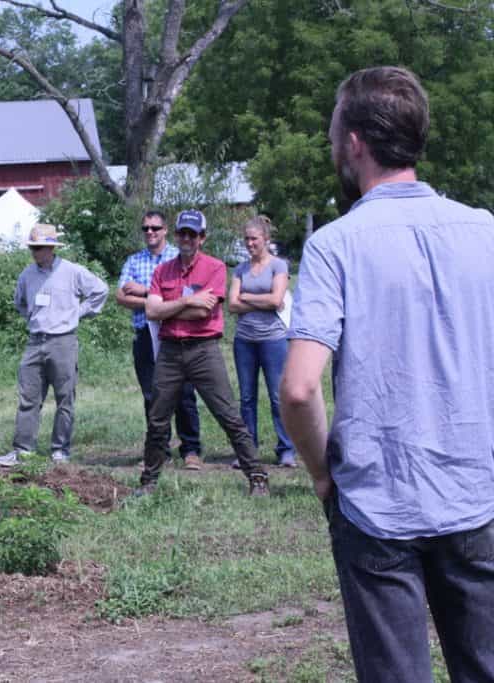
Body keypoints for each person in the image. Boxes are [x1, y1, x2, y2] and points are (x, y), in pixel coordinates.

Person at [280, 66, 494, 682]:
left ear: (354, 142)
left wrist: (322, 475)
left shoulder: (337, 244)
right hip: (475, 492)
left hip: (377, 503)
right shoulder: (483, 230)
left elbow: (298, 388)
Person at [138, 210, 269, 496]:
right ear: (176, 236)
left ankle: (257, 476)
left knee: (229, 415)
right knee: (158, 418)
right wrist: (187, 299)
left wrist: (173, 307)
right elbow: (151, 310)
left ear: (202, 238)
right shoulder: (163, 270)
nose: (187, 238)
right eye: (182, 233)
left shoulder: (215, 267)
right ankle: (148, 482)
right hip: (170, 350)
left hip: (203, 349)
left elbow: (202, 311)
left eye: (193, 234)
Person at [0, 223, 108, 466]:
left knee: (64, 397)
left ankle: (60, 450)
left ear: (51, 248)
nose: (35, 252)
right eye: (33, 247)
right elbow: (20, 303)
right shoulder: (27, 274)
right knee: (29, 397)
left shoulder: (72, 271)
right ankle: (23, 450)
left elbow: (100, 290)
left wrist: (78, 313)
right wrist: (32, 319)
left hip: (63, 341)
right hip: (35, 341)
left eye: (39, 248)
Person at [116, 210, 203, 469]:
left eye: (155, 227)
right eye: (146, 228)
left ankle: (191, 449)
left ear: (165, 230)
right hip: (145, 333)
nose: (150, 232)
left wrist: (145, 293)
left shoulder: (178, 258)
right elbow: (121, 297)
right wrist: (156, 302)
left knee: (184, 392)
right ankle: (159, 450)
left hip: (176, 331)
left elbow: (186, 293)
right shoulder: (134, 261)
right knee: (152, 393)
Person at [227, 216, 296, 468]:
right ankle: (248, 449)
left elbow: (277, 300)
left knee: (278, 396)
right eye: (246, 239)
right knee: (246, 398)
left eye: (254, 238)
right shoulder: (240, 269)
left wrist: (246, 295)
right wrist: (258, 299)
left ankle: (286, 449)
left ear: (266, 239)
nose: (249, 243)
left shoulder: (279, 266)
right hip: (244, 340)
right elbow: (232, 304)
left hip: (273, 339)